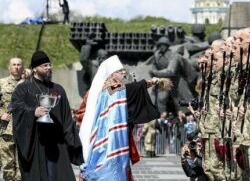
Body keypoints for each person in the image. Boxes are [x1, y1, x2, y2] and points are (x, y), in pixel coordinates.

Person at [79, 55, 160, 181]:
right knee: (110, 170)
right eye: (119, 71)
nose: (123, 73)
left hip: (105, 135)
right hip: (108, 138)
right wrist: (148, 82)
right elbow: (130, 90)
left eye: (123, 71)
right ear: (111, 75)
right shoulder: (111, 89)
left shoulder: (104, 90)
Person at [11, 50, 84, 181]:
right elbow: (17, 108)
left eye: (49, 65)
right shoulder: (23, 89)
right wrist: (33, 112)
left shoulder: (58, 89)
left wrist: (74, 145)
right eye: (44, 65)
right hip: (35, 144)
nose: (49, 68)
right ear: (34, 69)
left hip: (57, 144)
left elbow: (67, 119)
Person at [0, 58, 24, 181]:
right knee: (8, 165)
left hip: (24, 131)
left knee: (22, 166)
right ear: (9, 67)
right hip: (6, 131)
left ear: (23, 68)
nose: (16, 67)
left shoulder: (28, 85)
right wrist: (1, 114)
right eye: (13, 65)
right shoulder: (2, 83)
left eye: (19, 65)